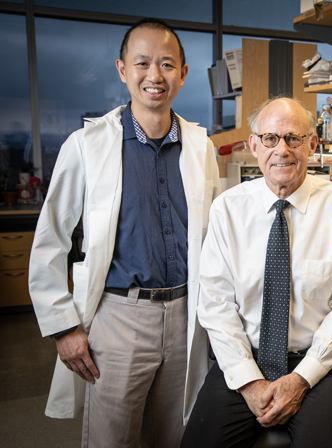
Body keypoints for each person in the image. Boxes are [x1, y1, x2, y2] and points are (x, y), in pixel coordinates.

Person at [28, 18, 221, 448]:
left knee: (175, 435)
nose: (155, 76)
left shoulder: (200, 146)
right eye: (143, 63)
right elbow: (50, 241)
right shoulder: (86, 145)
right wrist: (64, 327)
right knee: (110, 439)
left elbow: (209, 235)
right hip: (118, 319)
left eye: (167, 64)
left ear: (184, 74)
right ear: (122, 69)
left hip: (187, 315)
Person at [181, 97, 332, 448]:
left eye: (294, 138)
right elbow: (215, 305)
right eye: (270, 139)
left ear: (312, 145)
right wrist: (248, 382)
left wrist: (302, 378)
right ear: (254, 145)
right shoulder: (228, 209)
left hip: (320, 362)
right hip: (247, 357)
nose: (282, 150)